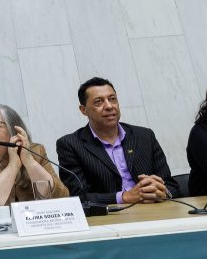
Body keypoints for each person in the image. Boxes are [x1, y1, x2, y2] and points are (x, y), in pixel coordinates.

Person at [56, 77, 180, 206]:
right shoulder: (70, 144)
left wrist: (162, 192)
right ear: (83, 110)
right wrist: (123, 197)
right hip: (109, 218)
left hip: (153, 210)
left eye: (112, 99)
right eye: (99, 102)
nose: (109, 106)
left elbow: (172, 186)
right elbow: (78, 197)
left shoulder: (144, 136)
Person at [0, 103, 69, 218]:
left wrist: (29, 161)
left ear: (13, 130)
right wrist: (13, 165)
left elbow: (61, 199)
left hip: (34, 225)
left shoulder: (36, 151)